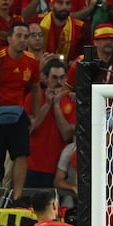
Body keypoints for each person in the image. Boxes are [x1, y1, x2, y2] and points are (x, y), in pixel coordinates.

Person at [0, 21, 41, 208]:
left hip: (17, 112)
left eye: (26, 36)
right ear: (9, 38)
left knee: (21, 155)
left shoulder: (32, 61)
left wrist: (34, 115)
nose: (23, 40)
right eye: (19, 36)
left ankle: (18, 197)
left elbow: (36, 89)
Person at [24, 58, 75, 189]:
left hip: (58, 169)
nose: (59, 82)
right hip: (32, 165)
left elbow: (67, 135)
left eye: (62, 77)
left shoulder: (72, 100)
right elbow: (29, 128)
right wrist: (47, 104)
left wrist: (56, 106)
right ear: (45, 79)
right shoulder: (33, 98)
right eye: (54, 78)